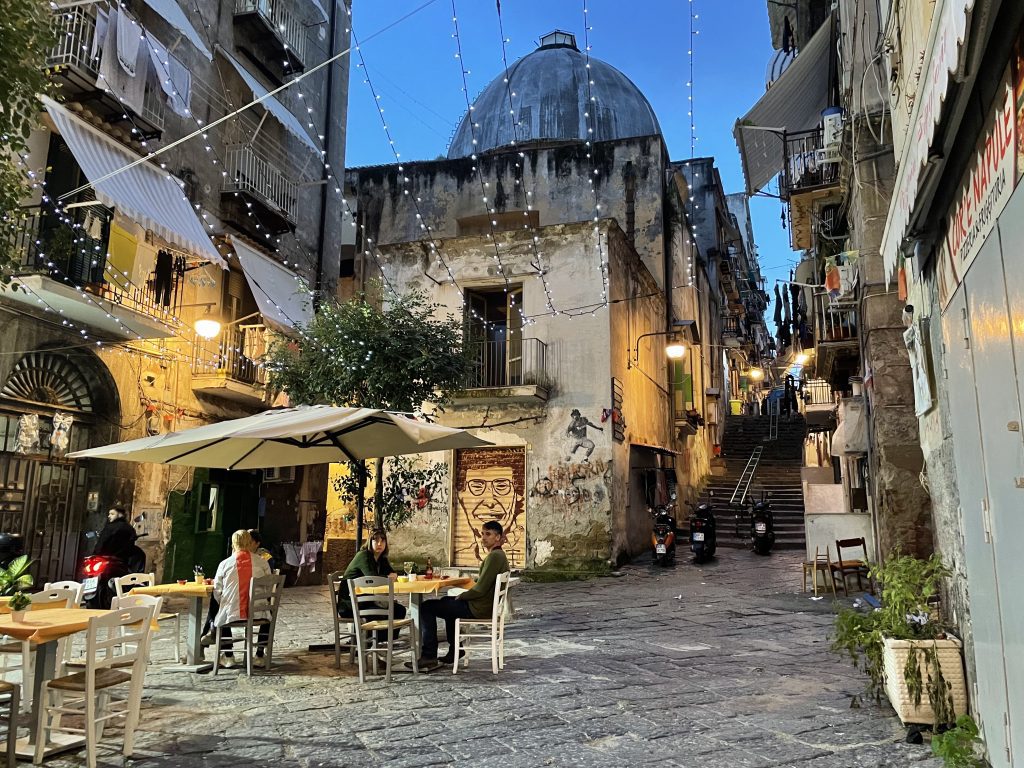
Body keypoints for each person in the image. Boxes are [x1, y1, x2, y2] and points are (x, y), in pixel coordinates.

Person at [412, 520, 509, 669]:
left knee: (427, 607)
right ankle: (455, 650)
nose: (483, 537)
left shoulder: (494, 557)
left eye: (488, 534)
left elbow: (481, 589)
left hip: (478, 608)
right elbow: (483, 582)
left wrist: (462, 596)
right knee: (447, 602)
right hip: (483, 605)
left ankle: (429, 656)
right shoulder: (498, 556)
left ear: (498, 537)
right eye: (482, 534)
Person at [211, 529, 272, 668]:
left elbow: (217, 591)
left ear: (233, 543)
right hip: (258, 613)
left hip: (233, 613)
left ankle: (228, 656)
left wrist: (227, 603)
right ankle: (259, 655)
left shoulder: (225, 564)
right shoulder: (262, 562)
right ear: (249, 542)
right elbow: (269, 588)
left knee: (222, 611)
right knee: (268, 611)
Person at [341, 529, 406, 636]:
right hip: (351, 604)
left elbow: (392, 574)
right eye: (376, 540)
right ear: (370, 542)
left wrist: (390, 576)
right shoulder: (364, 556)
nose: (380, 544)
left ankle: (383, 641)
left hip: (366, 601)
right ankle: (369, 642)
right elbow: (373, 579)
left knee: (399, 610)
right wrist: (388, 577)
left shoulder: (381, 559)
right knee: (383, 612)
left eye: (383, 541)